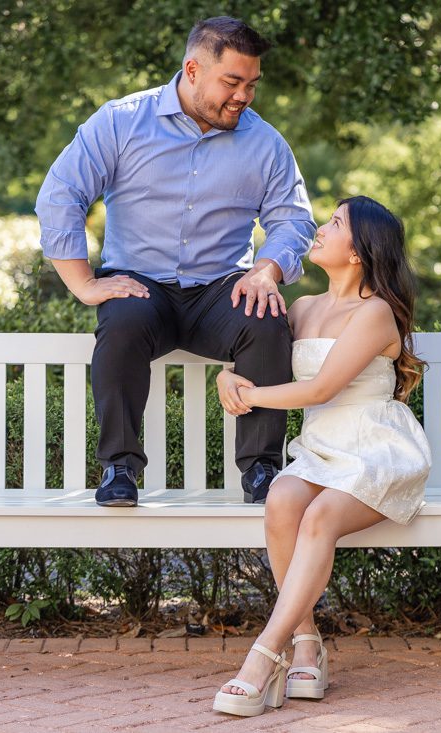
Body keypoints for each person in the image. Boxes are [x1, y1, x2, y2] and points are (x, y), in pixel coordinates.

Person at [35, 16, 315, 507]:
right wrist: (82, 283)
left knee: (267, 318)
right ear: (192, 70)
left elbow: (293, 221)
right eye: (231, 81)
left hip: (221, 290)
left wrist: (268, 269)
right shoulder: (121, 122)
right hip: (141, 286)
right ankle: (119, 468)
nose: (244, 95)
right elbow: (61, 193)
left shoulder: (266, 143)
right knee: (120, 321)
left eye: (251, 84)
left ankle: (263, 470)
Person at [211, 196, 432, 717]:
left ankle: (264, 658)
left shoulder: (377, 313)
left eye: (334, 224)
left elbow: (322, 388)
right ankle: (307, 643)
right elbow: (247, 354)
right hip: (320, 449)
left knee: (319, 519)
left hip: (376, 448)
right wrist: (227, 375)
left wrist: (250, 395)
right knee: (282, 499)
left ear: (358, 252)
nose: (320, 230)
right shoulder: (303, 307)